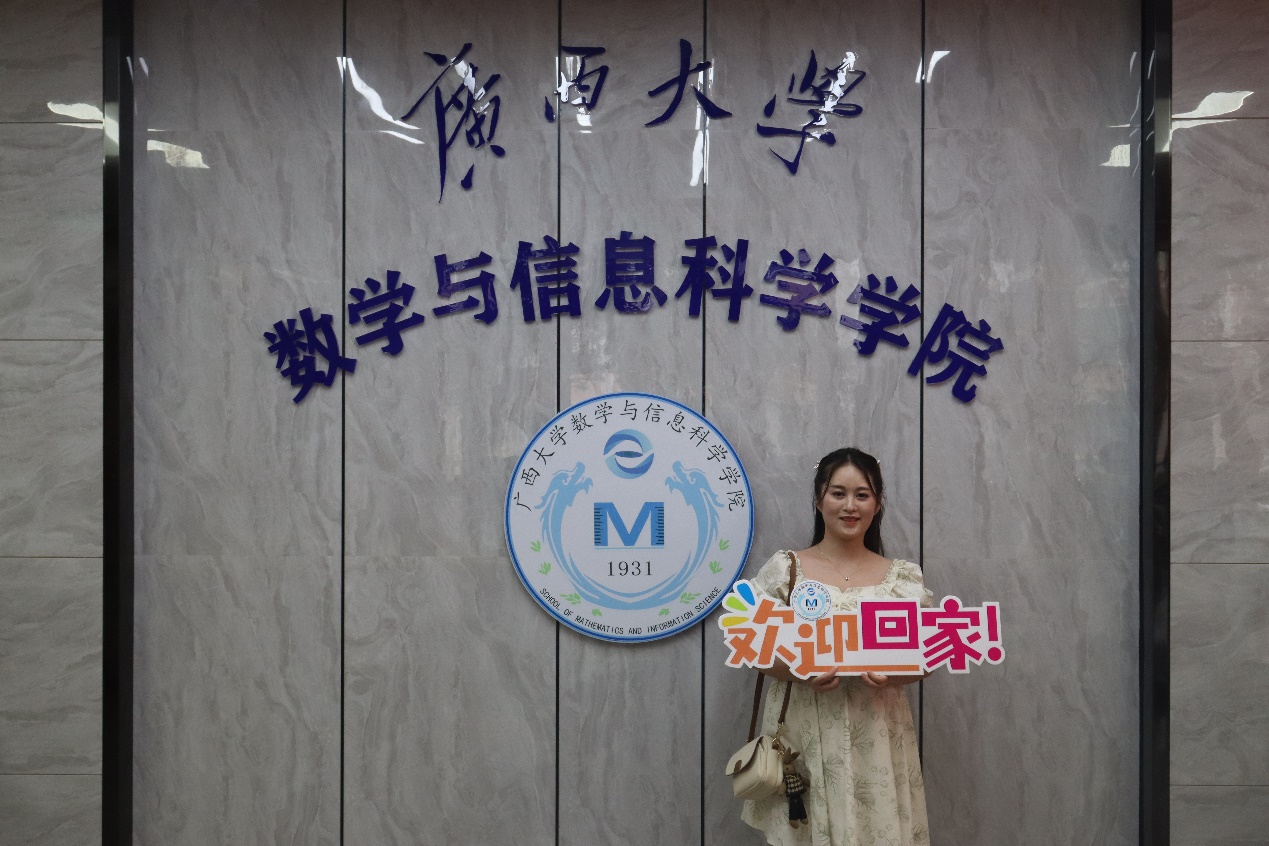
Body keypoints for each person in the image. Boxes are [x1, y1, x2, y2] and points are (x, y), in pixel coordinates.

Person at [741, 447, 932, 846]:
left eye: (862, 494)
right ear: (818, 499)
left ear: (878, 503)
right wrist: (799, 672)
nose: (850, 506)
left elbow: (926, 658)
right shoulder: (786, 569)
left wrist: (892, 674)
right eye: (838, 493)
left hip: (876, 726)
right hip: (803, 730)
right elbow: (751, 645)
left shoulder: (902, 578)